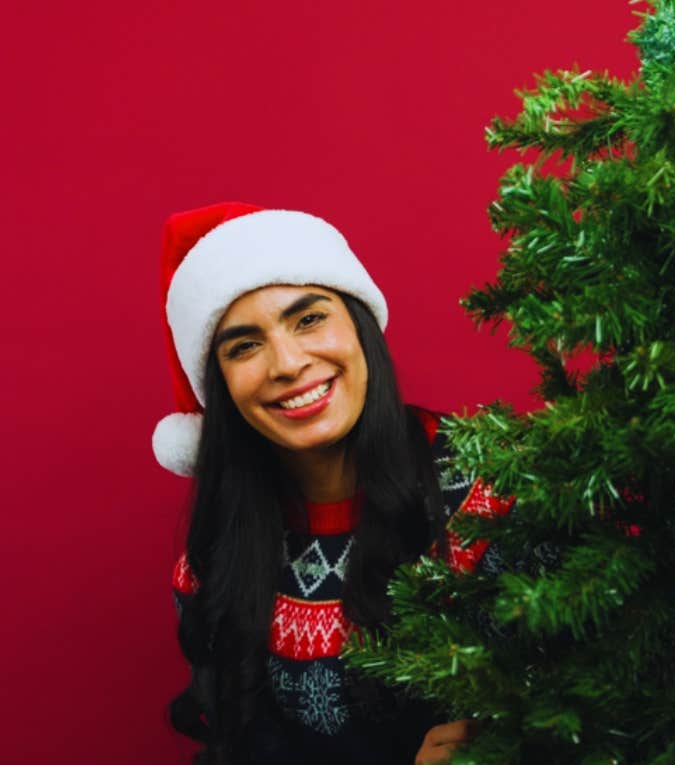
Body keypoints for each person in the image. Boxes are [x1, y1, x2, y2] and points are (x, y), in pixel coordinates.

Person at [152, 202, 496, 764]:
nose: (287, 363)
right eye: (244, 346)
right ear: (221, 389)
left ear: (360, 328)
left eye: (309, 319)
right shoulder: (214, 565)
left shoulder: (500, 487)